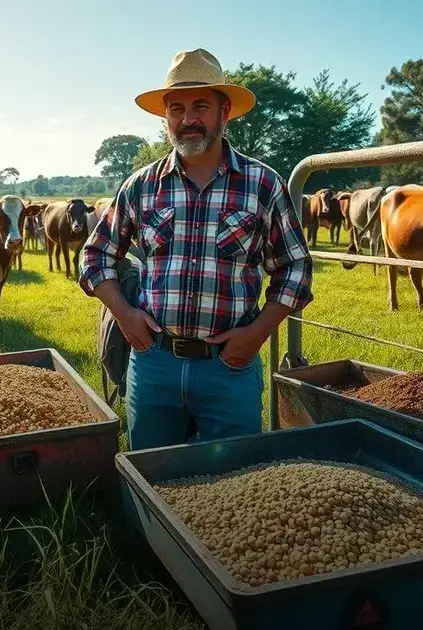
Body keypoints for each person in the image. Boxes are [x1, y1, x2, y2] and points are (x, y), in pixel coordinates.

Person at [78, 48, 314, 450]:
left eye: (201, 106)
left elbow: (295, 269)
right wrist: (125, 315)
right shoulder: (141, 185)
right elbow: (94, 255)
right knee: (153, 473)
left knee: (236, 480)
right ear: (165, 117)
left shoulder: (263, 184)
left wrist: (256, 335)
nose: (188, 119)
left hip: (230, 365)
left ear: (225, 111)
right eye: (176, 108)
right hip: (154, 361)